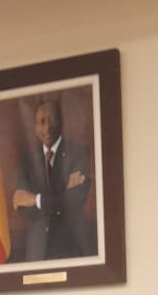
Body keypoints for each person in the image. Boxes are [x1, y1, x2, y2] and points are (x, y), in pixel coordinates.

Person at [12, 98, 97, 261]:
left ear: (61, 122)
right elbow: (22, 207)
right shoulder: (27, 160)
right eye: (41, 122)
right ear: (35, 127)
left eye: (52, 120)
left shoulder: (79, 153)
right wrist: (61, 197)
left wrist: (35, 200)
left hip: (72, 246)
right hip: (38, 251)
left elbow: (74, 200)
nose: (47, 127)